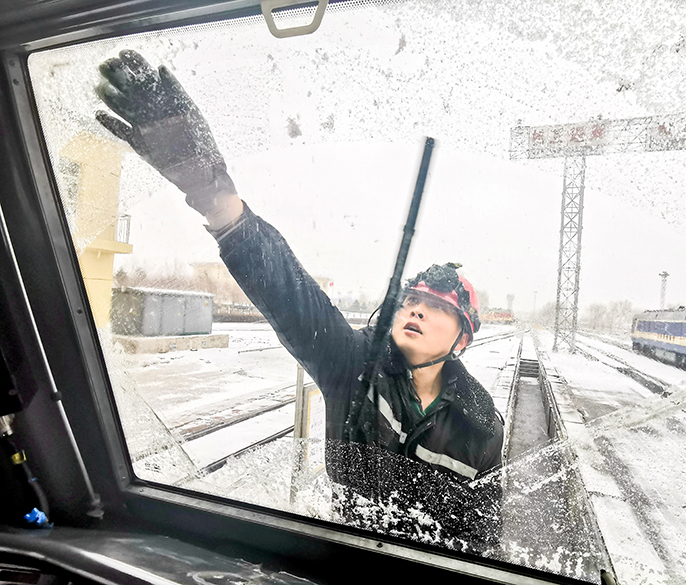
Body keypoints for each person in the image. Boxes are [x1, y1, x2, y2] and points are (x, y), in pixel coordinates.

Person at [95, 50, 504, 552]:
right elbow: (287, 289)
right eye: (413, 299)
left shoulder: (482, 424)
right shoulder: (353, 366)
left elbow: (480, 544)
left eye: (438, 307)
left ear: (462, 337)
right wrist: (213, 193)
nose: (417, 309)